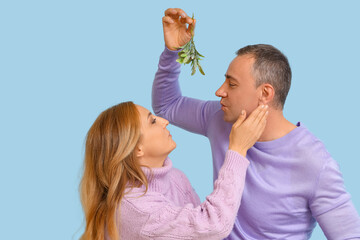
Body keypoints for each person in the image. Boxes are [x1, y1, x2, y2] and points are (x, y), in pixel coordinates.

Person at [153, 8, 360, 239]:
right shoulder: (220, 118)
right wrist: (172, 52)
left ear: (265, 93)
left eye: (231, 84)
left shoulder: (314, 163)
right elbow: (167, 106)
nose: (219, 91)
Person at [79, 101, 268, 240]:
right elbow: (213, 224)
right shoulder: (136, 210)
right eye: (152, 121)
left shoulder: (175, 177)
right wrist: (237, 150)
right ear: (137, 149)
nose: (164, 121)